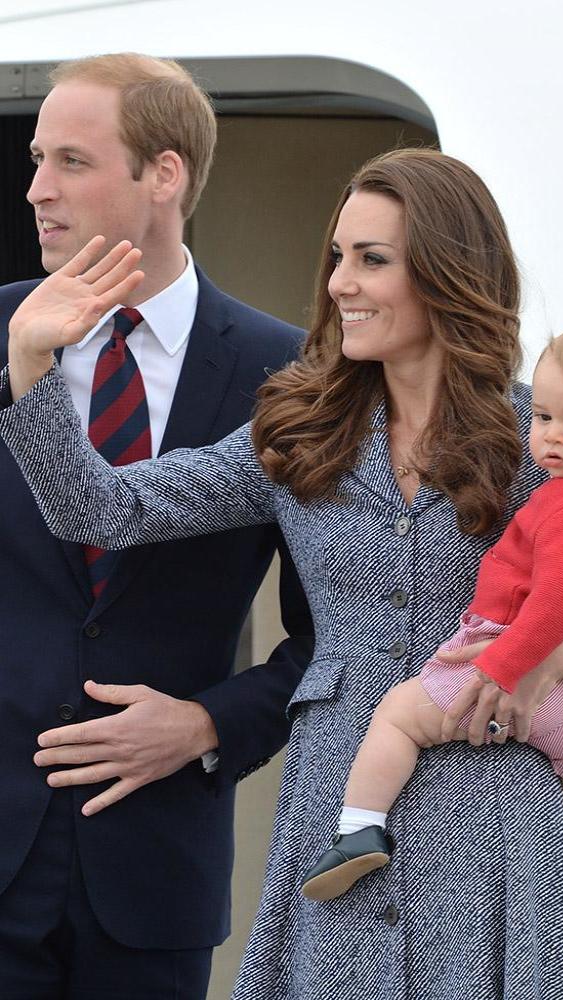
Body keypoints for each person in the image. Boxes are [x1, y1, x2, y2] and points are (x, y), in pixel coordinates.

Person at [2, 148, 563, 1000]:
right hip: (338, 831)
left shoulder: (546, 440)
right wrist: (31, 368)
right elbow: (104, 512)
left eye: (373, 260)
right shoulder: (300, 432)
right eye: (338, 257)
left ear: (448, 274)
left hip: (500, 842)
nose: (341, 283)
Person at [0, 52, 312, 999]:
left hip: (156, 876)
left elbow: (339, 631)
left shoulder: (286, 376)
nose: (36, 191)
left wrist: (205, 726)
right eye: (36, 160)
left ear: (164, 174)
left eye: (71, 162)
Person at [300, 318, 563, 971]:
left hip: (514, 666)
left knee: (400, 718)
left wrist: (505, 666)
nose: (551, 435)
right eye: (546, 416)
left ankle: (357, 828)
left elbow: (556, 602)